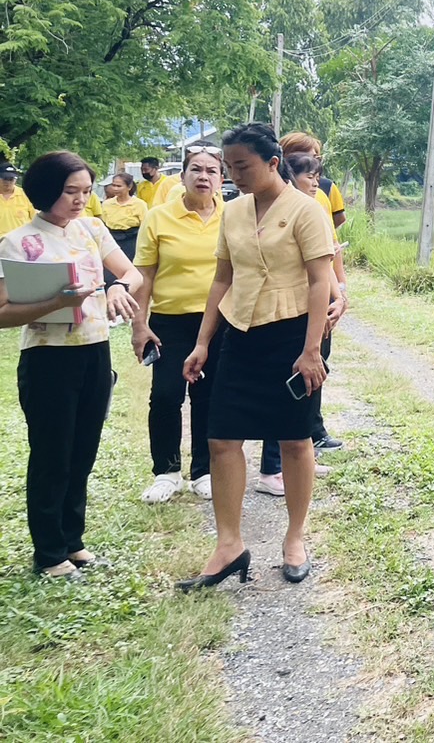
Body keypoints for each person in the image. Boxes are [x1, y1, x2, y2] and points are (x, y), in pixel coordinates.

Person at [176, 123, 336, 591]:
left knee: (293, 438)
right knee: (222, 438)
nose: (234, 175)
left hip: (293, 337)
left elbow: (318, 282)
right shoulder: (234, 212)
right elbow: (222, 278)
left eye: (241, 166)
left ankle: (294, 538)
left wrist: (311, 351)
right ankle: (228, 545)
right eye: (230, 167)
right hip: (240, 333)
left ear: (271, 163)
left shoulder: (307, 211)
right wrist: (204, 342)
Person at [0, 152, 142, 577]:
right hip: (47, 358)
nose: (81, 200)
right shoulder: (18, 242)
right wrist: (57, 302)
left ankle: (72, 540)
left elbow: (131, 273)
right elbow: (3, 312)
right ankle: (48, 552)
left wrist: (118, 287)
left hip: (95, 351)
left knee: (83, 449)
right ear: (46, 192)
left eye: (85, 191)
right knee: (52, 454)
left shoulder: (93, 229)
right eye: (70, 192)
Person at [131, 147, 226, 505]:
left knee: (209, 397)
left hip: (218, 321)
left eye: (211, 171)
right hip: (168, 321)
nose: (203, 177)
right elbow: (145, 274)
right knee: (167, 395)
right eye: (196, 170)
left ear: (221, 178)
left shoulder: (231, 217)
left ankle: (203, 471)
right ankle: (167, 472)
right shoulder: (158, 218)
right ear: (182, 175)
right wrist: (139, 325)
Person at [257, 151, 346, 495]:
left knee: (308, 386)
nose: (316, 182)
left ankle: (300, 455)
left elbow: (330, 256)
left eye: (317, 175)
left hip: (319, 306)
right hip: (291, 312)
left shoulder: (315, 204)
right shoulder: (278, 209)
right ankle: (272, 468)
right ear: (288, 174)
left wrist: (340, 296)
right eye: (309, 176)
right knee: (286, 388)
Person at [281, 132, 347, 230]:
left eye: (316, 158)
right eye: (305, 159)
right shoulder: (273, 191)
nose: (312, 163)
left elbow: (339, 219)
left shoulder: (327, 187)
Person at [100, 172, 149, 260]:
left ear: (129, 187)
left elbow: (145, 227)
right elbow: (104, 222)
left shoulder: (139, 204)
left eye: (119, 186)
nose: (115, 189)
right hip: (112, 240)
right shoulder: (107, 204)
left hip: (132, 241)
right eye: (113, 185)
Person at [0, 161, 35, 234]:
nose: (8, 182)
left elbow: (36, 219)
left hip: (21, 241)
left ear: (16, 179)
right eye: (5, 178)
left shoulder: (26, 195)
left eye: (11, 179)